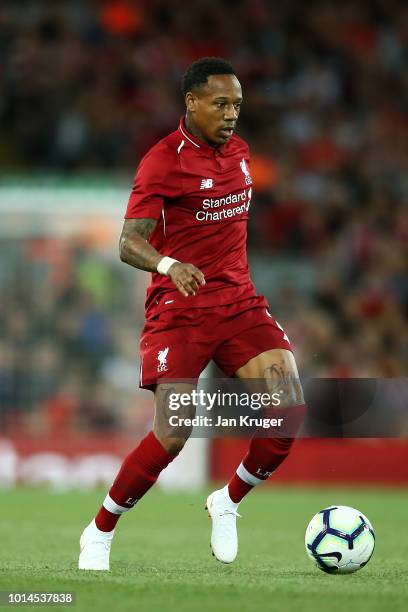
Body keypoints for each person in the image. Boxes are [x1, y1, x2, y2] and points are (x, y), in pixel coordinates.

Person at [78, 57, 305, 571]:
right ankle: (100, 530)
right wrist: (168, 262)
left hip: (240, 304)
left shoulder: (241, 153)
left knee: (288, 412)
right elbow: (127, 242)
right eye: (221, 104)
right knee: (176, 430)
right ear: (192, 102)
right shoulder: (162, 161)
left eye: (238, 106)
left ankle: (227, 501)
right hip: (179, 310)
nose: (231, 115)